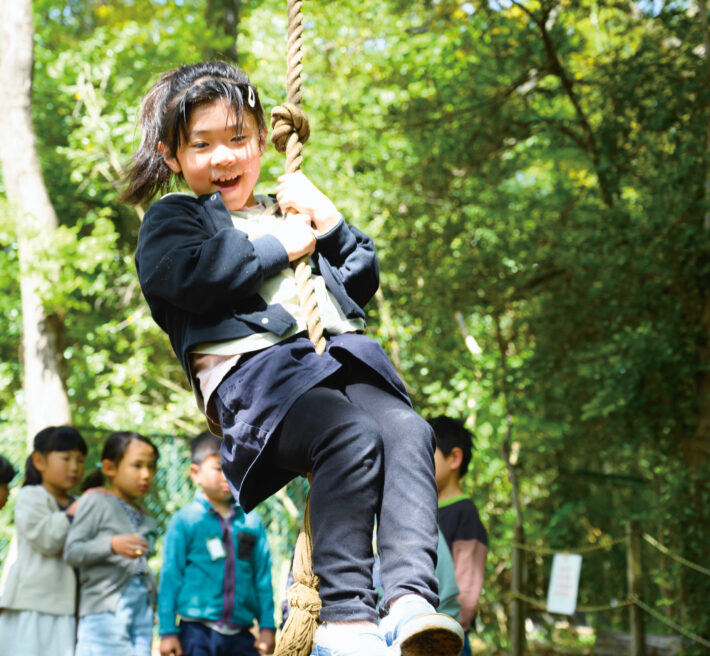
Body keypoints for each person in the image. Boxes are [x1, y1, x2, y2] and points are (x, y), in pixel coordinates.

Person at [125, 60, 463, 656]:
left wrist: (328, 223)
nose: (224, 156)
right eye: (201, 145)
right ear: (172, 155)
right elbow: (183, 278)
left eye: (237, 139)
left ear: (261, 141)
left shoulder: (288, 211)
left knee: (409, 431)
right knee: (350, 437)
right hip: (258, 380)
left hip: (336, 365)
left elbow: (355, 283)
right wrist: (274, 247)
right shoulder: (176, 218)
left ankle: (410, 598)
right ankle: (347, 617)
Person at [158, 431, 276, 656]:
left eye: (235, 467)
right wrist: (167, 632)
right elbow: (170, 577)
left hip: (242, 635)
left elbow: (262, 577)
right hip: (196, 633)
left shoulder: (251, 521)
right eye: (219, 468)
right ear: (195, 473)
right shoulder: (185, 520)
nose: (227, 475)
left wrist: (267, 627)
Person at [64, 431, 159, 656]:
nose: (146, 474)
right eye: (137, 465)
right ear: (110, 468)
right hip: (105, 613)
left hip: (143, 614)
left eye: (151, 466)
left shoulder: (147, 518)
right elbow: (72, 551)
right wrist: (111, 544)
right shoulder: (96, 501)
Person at [0, 426, 87, 656]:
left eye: (80, 460)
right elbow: (47, 540)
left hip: (69, 607)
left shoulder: (79, 502)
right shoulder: (30, 497)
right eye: (66, 458)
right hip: (32, 606)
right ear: (39, 461)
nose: (74, 467)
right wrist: (71, 514)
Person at [430, 416, 489, 656]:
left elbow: (467, 582)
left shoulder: (465, 512)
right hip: (416, 627)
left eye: (426, 452)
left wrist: (453, 624)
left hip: (449, 636)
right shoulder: (421, 510)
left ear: (454, 458)